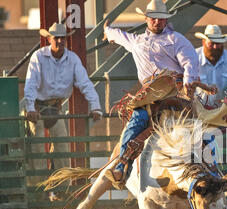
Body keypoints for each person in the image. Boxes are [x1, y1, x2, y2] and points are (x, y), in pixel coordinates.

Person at [103, 0, 199, 185]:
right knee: (136, 122)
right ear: (146, 19)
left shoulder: (176, 40)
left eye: (161, 19)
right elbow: (120, 35)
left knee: (202, 127)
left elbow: (190, 62)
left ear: (166, 20)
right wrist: (108, 32)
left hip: (175, 93)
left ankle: (212, 169)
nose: (157, 22)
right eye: (154, 19)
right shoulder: (137, 41)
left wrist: (187, 83)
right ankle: (121, 168)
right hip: (149, 96)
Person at [24, 22, 102, 192]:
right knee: (37, 148)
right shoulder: (38, 57)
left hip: (55, 108)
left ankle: (61, 188)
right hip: (37, 107)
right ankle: (38, 190)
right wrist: (30, 107)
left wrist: (96, 106)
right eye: (56, 38)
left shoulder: (72, 59)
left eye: (62, 38)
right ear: (49, 39)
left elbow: (85, 83)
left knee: (62, 147)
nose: (60, 41)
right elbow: (30, 84)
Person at [194, 24, 227, 108]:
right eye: (212, 43)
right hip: (198, 110)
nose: (215, 47)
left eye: (218, 43)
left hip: (224, 110)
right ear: (203, 42)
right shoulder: (193, 57)